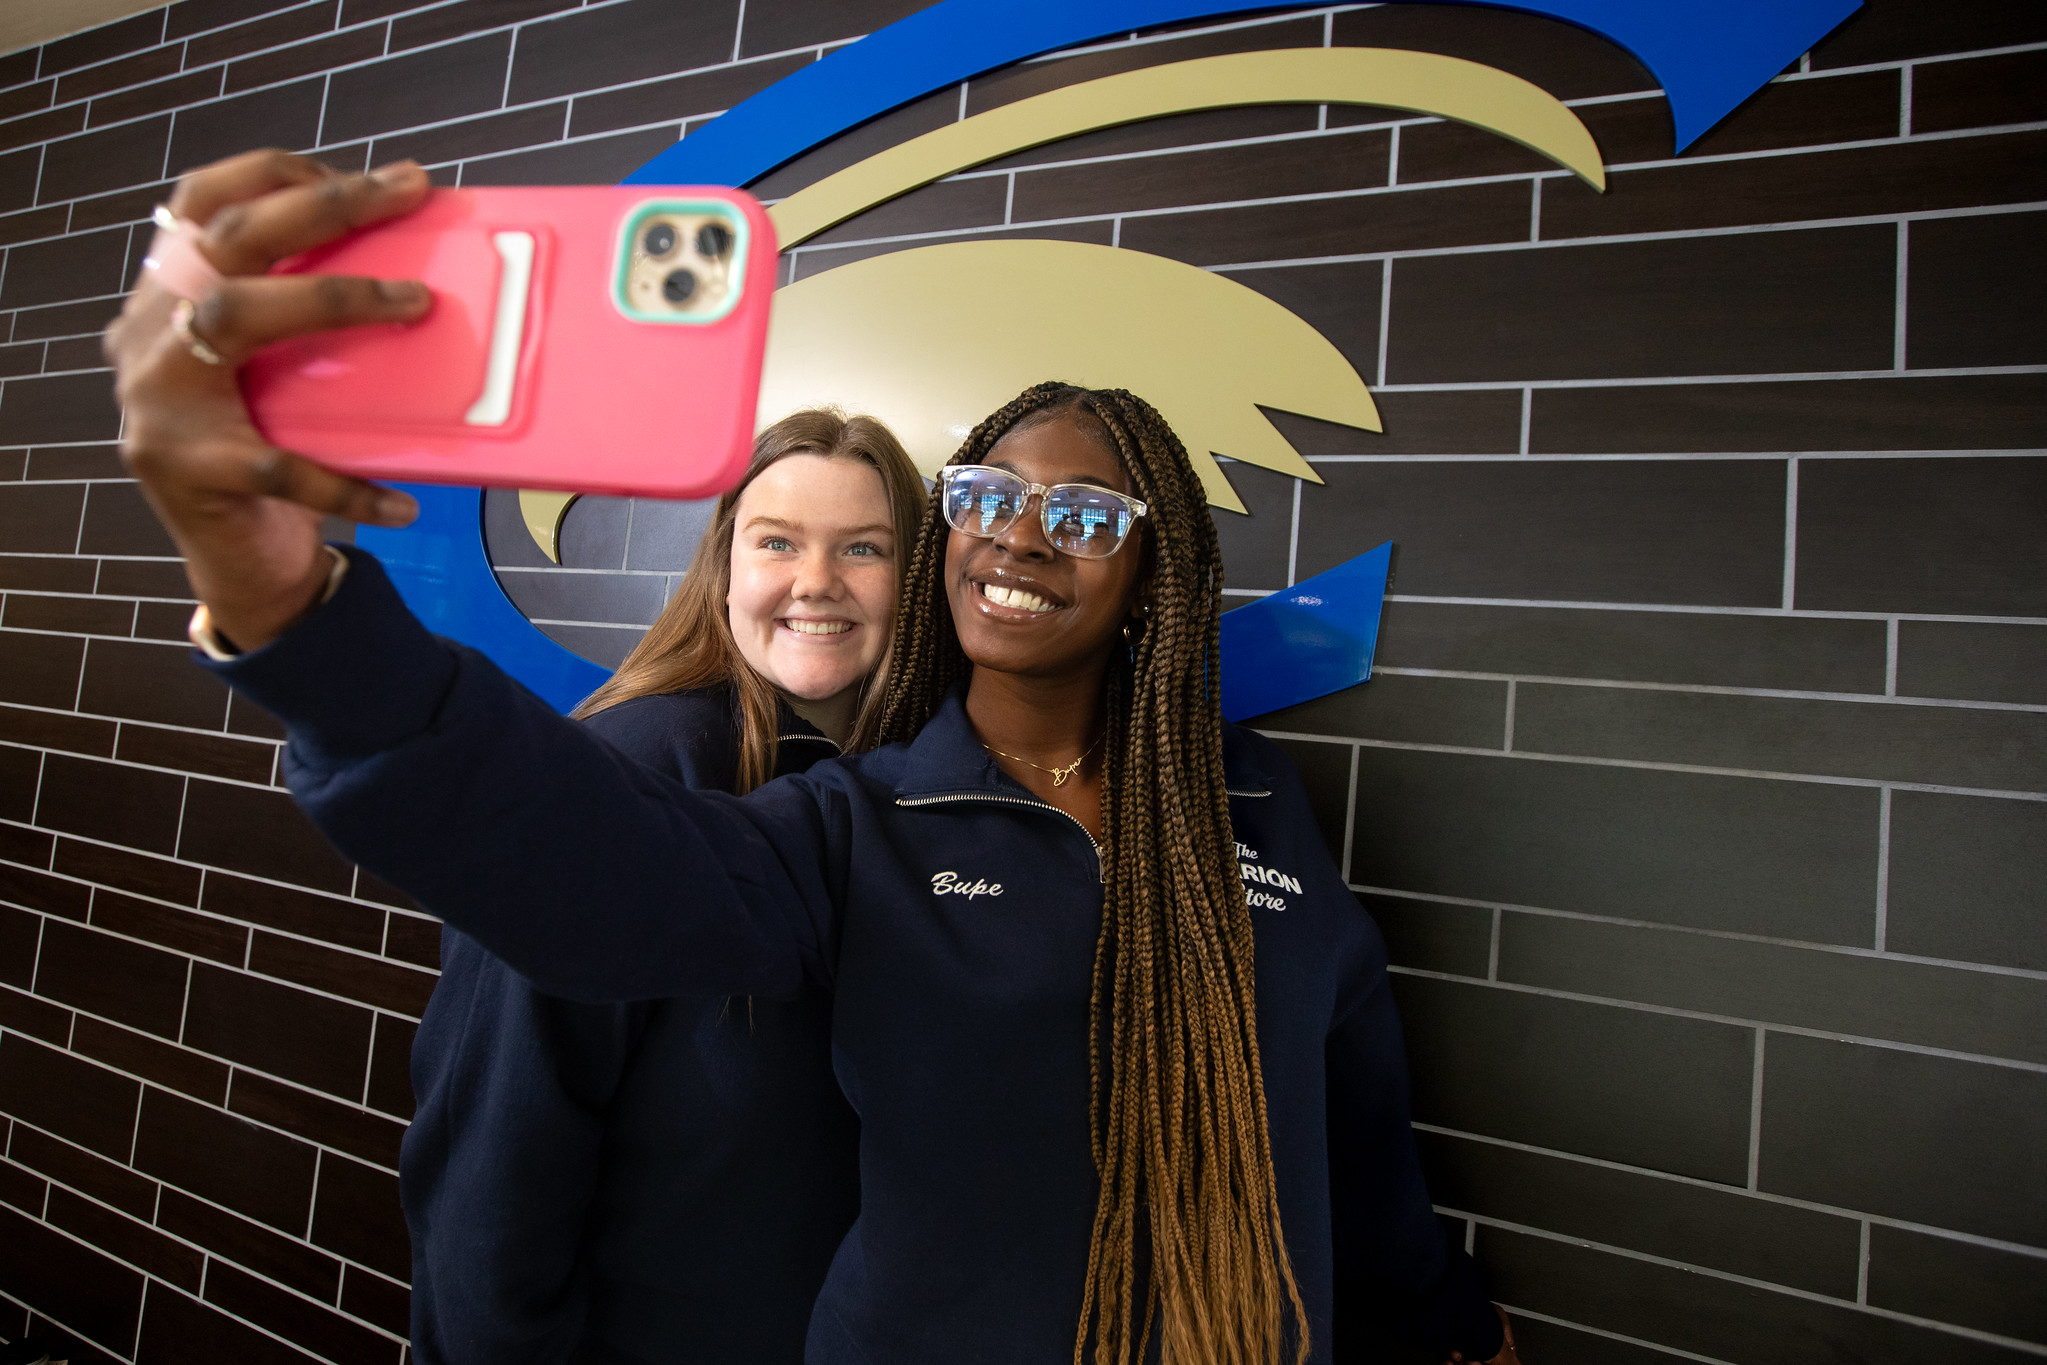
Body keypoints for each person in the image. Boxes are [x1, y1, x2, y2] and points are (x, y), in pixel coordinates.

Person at [107, 152, 1521, 1365]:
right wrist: (282, 591)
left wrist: (1441, 1307)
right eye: (984, 496)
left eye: (1081, 513)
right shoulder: (857, 826)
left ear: (1156, 572)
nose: (1019, 535)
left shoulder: (1257, 799)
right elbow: (569, 862)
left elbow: (1352, 1110)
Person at [408, 409, 925, 1361]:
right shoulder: (630, 767)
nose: (817, 581)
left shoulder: (912, 788)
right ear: (726, 565)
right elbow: (494, 1146)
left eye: (864, 547)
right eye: (778, 542)